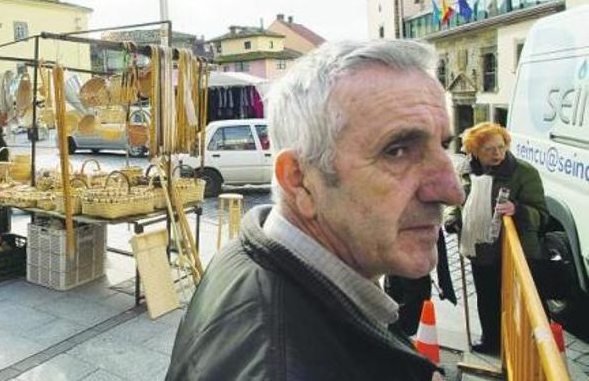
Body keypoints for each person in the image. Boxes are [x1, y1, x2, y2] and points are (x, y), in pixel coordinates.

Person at [166, 40, 465, 381]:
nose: (452, 192)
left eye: (443, 145)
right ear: (300, 181)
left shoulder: (248, 252)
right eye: (397, 151)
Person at [443, 122, 549, 354]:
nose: (498, 153)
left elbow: (542, 216)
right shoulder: (467, 170)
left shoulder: (524, 172)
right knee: (486, 297)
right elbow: (458, 201)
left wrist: (517, 209)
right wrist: (452, 218)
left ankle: (522, 349)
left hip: (515, 252)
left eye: (501, 147)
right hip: (480, 249)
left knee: (517, 303)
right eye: (489, 149)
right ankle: (491, 342)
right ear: (474, 151)